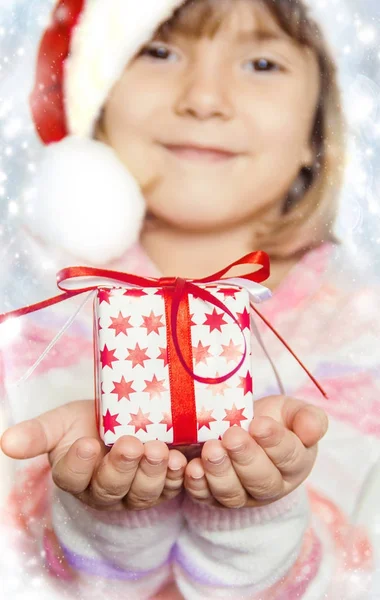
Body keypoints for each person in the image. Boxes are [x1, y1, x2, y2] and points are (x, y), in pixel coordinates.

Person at [0, 0, 379, 598]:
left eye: (261, 62)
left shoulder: (366, 342)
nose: (204, 98)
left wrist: (253, 518)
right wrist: (107, 519)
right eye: (158, 50)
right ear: (94, 104)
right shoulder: (30, 339)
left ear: (316, 132)